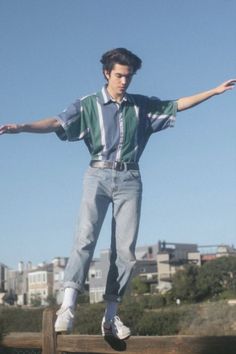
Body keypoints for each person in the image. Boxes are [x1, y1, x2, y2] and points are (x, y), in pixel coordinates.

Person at [0, 48, 235, 339]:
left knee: (125, 250)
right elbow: (56, 123)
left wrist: (214, 91)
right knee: (85, 238)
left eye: (129, 76)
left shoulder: (141, 106)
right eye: (119, 75)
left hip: (130, 177)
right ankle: (68, 307)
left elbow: (177, 105)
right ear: (106, 73)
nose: (124, 81)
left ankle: (111, 317)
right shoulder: (88, 104)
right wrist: (22, 127)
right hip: (97, 174)